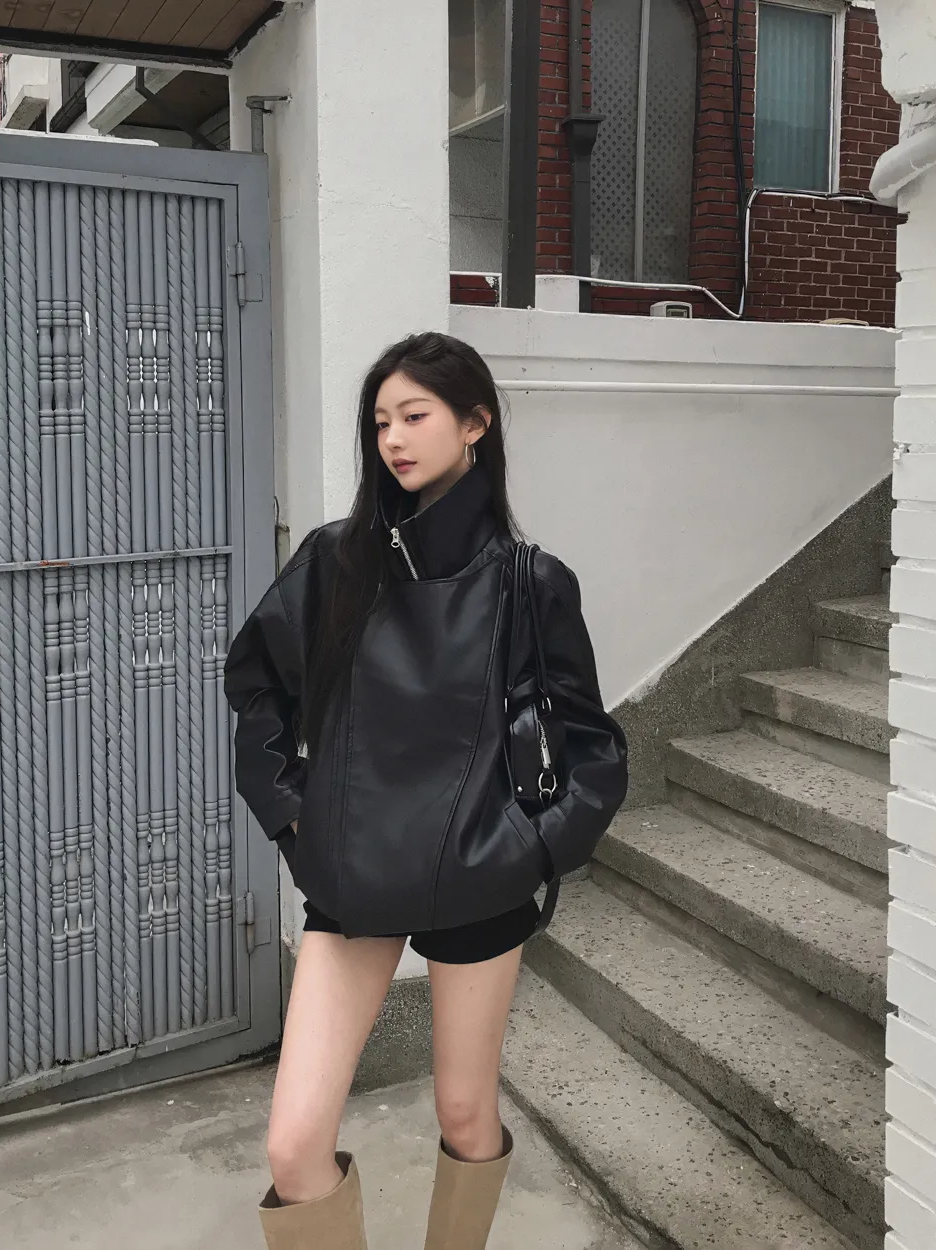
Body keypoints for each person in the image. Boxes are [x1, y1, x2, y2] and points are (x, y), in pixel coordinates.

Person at [223, 331, 628, 1250]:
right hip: (353, 875)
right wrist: (297, 819)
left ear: (475, 423)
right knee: (293, 1147)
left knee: (465, 1112)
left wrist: (531, 847)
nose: (394, 440)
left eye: (415, 416)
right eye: (380, 423)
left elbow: (595, 749)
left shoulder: (530, 582)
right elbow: (257, 691)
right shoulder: (334, 562)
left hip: (482, 875)